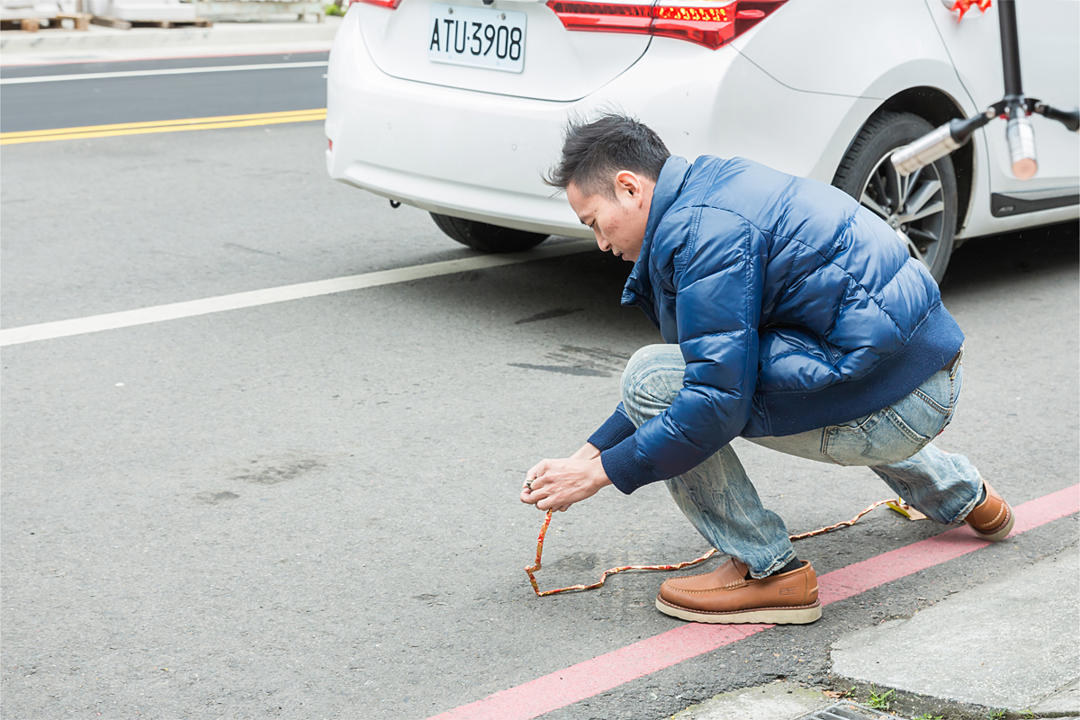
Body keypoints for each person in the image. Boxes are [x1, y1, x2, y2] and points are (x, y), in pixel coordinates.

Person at [519, 114, 1014, 625]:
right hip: (921, 373)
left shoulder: (701, 237)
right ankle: (963, 494)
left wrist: (599, 475)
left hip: (897, 406)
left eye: (594, 221)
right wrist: (587, 453)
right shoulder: (714, 187)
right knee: (800, 364)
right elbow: (707, 366)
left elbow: (708, 399)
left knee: (658, 378)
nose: (600, 242)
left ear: (629, 187)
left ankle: (768, 572)